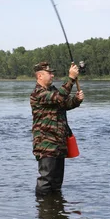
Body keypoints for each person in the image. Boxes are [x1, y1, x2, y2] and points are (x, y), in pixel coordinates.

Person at [30, 61, 84, 196]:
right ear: (40, 76)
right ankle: (43, 209)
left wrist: (76, 100)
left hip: (59, 142)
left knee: (57, 182)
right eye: (49, 73)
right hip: (46, 144)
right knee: (46, 180)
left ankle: (56, 212)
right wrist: (71, 78)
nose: (52, 75)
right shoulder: (38, 93)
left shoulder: (53, 91)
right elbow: (60, 96)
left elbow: (65, 103)